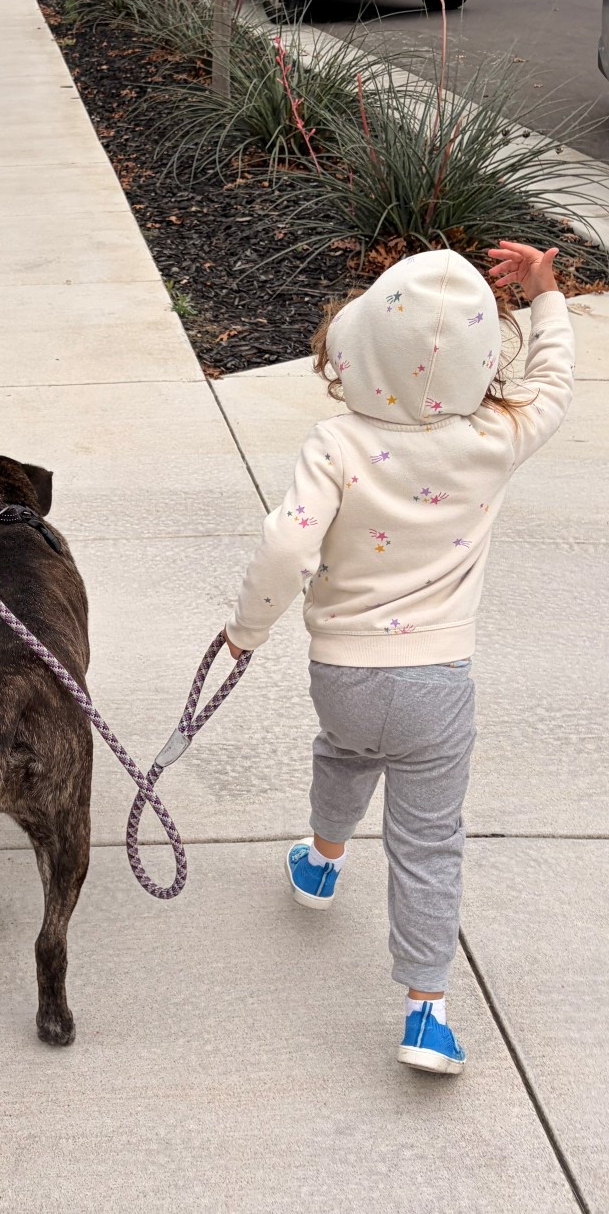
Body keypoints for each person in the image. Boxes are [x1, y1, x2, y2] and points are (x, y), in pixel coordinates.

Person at [224, 243, 574, 1073]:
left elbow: (287, 546)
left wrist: (248, 629)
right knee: (427, 841)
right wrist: (546, 295)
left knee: (346, 750)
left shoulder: (336, 443)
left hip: (342, 674)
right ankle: (427, 1011)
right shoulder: (497, 435)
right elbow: (554, 382)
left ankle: (321, 860)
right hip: (437, 682)